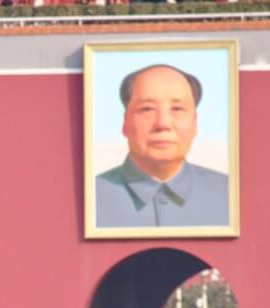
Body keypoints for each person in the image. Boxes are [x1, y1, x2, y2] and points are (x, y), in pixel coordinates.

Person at [95, 64, 229, 228]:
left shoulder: (229, 194)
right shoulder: (90, 196)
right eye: (147, 109)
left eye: (177, 109)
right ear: (125, 123)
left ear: (195, 123)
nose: (163, 124)